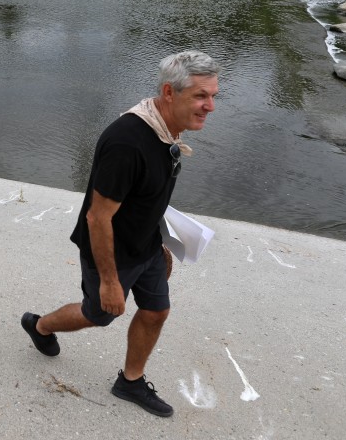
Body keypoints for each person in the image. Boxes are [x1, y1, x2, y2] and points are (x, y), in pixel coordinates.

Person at [21, 50, 220, 418]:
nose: (210, 106)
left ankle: (130, 381)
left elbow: (146, 198)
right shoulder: (128, 143)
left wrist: (159, 244)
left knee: (156, 311)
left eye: (212, 96)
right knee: (99, 314)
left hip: (145, 246)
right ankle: (40, 325)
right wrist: (110, 282)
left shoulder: (166, 131)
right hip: (109, 251)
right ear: (169, 92)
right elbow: (98, 219)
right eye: (200, 96)